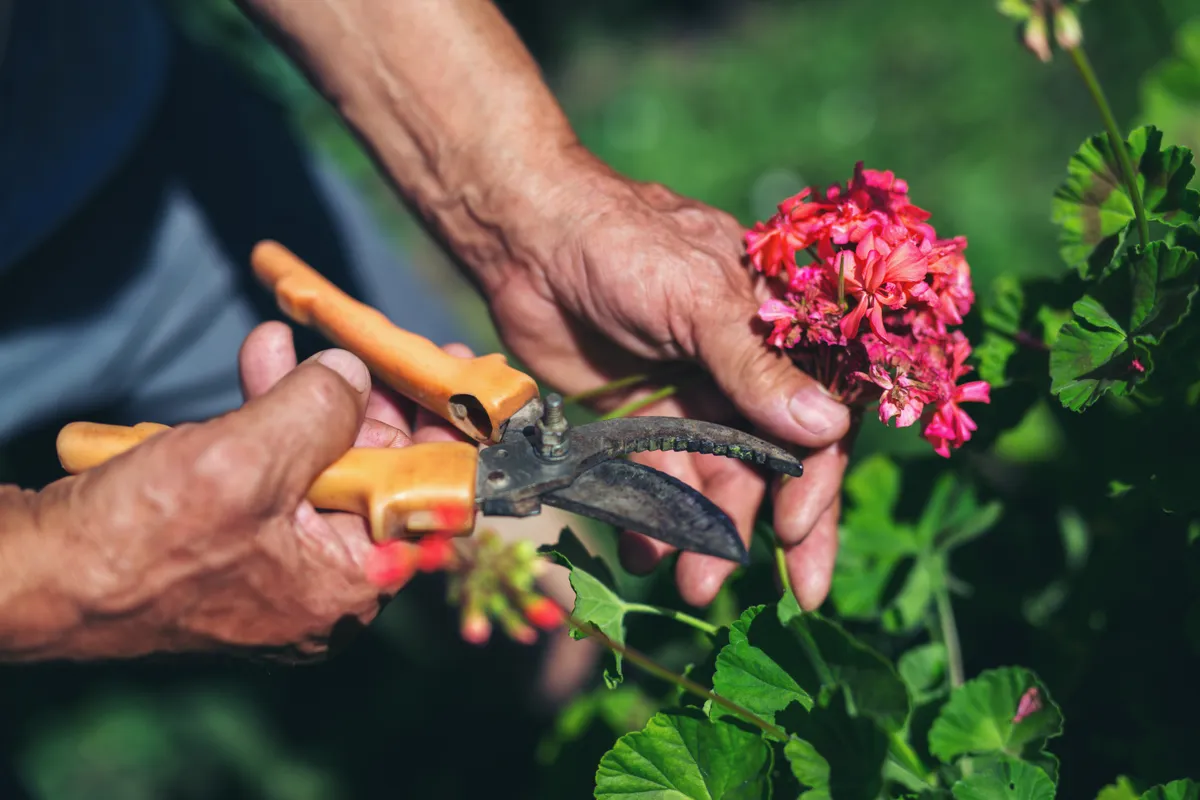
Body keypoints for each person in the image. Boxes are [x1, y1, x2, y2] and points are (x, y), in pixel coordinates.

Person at [0, 0, 852, 662]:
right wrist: (63, 570)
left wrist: (526, 205)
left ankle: (580, 685)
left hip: (137, 147)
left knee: (540, 597)